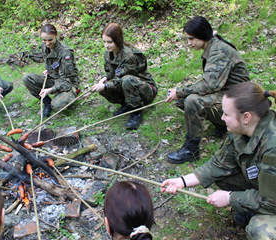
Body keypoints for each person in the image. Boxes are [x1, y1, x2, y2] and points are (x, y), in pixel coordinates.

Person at [161, 82, 276, 240]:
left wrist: (230, 198)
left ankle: (255, 215)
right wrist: (181, 181)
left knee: (260, 231)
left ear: (246, 117)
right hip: (268, 190)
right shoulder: (240, 130)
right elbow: (219, 164)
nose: (222, 118)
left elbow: (271, 202)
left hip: (272, 201)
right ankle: (250, 209)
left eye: (226, 114)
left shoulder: (273, 147)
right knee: (223, 176)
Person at [166, 16, 249, 164]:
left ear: (203, 36)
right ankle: (222, 124)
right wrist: (180, 93)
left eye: (191, 39)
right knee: (184, 100)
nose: (189, 43)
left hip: (239, 102)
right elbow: (212, 83)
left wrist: (178, 91)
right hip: (227, 94)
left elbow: (209, 85)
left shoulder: (219, 52)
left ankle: (191, 149)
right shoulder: (214, 46)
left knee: (191, 101)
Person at [92, 23, 158, 130]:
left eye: (110, 42)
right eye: (104, 41)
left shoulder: (129, 56)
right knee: (103, 87)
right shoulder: (109, 53)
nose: (106, 45)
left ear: (117, 40)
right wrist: (105, 78)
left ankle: (136, 112)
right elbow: (111, 72)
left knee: (127, 80)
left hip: (146, 90)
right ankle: (127, 104)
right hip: (127, 86)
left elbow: (122, 79)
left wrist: (106, 85)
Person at [22, 24, 80, 118]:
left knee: (57, 105)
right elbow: (53, 62)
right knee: (27, 78)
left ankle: (71, 95)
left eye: (50, 40)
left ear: (56, 36)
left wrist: (50, 90)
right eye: (44, 40)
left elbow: (67, 81)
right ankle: (46, 102)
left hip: (67, 84)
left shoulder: (66, 53)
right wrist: (49, 69)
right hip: (53, 78)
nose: (47, 43)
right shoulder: (44, 46)